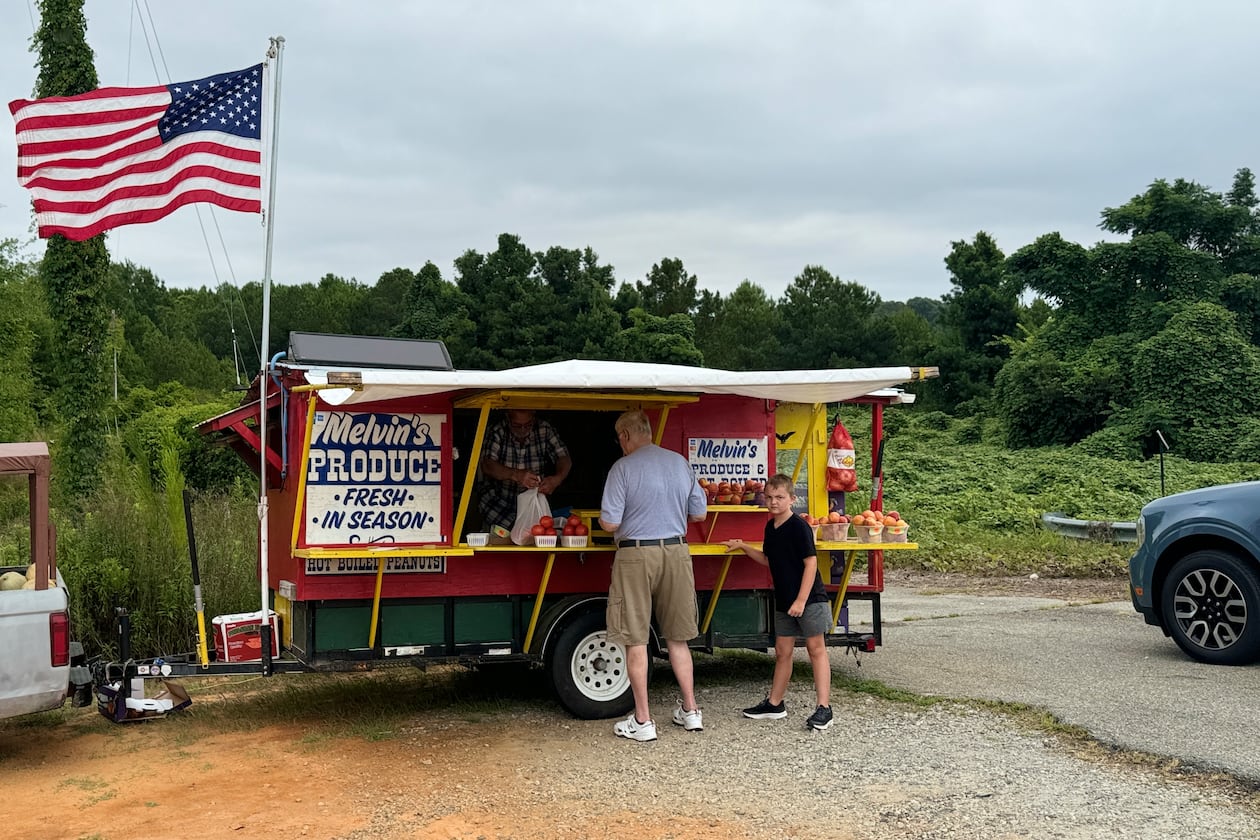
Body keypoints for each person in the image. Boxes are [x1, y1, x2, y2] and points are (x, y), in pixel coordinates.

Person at [599, 409, 708, 742]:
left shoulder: (622, 468)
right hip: (676, 552)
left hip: (635, 555)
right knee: (678, 638)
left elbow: (611, 522)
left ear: (626, 436)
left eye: (620, 438)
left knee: (636, 639)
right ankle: (690, 711)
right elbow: (699, 512)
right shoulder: (679, 463)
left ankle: (643, 721)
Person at [723, 473, 833, 731]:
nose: (773, 502)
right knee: (782, 652)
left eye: (779, 497)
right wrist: (743, 547)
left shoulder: (799, 526)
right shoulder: (770, 527)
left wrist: (801, 600)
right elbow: (767, 559)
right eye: (769, 497)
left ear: (792, 499)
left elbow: (811, 563)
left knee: (816, 650)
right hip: (784, 600)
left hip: (809, 600)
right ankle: (775, 704)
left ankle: (824, 708)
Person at [478, 409, 571, 539]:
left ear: (533, 418)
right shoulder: (497, 431)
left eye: (527, 425)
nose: (522, 429)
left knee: (535, 538)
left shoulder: (544, 429)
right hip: (499, 504)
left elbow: (563, 457)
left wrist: (557, 479)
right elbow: (487, 465)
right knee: (502, 543)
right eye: (517, 425)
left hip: (533, 506)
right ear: (508, 418)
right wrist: (516, 475)